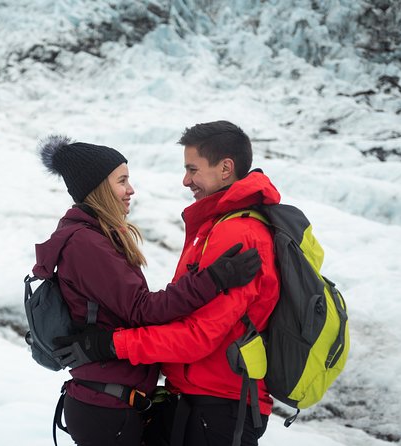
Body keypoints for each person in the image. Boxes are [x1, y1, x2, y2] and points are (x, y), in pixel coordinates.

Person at [54, 121, 282, 446]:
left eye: (192, 169)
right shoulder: (216, 226)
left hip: (220, 403)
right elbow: (159, 313)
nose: (185, 180)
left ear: (226, 168)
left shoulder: (236, 233)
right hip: (200, 398)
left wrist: (111, 344)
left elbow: (197, 335)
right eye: (122, 181)